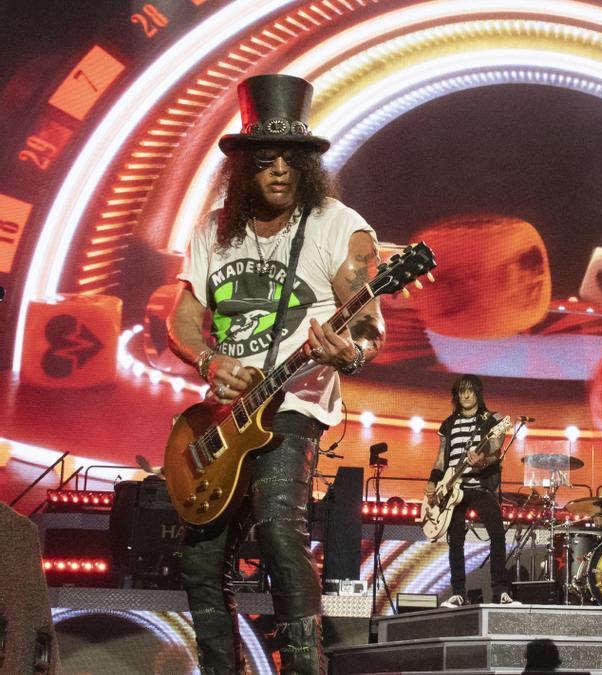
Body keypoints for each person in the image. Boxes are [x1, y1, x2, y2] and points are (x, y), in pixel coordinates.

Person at [167, 74, 384, 674]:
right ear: (243, 167)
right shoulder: (214, 229)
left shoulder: (340, 226)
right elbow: (182, 320)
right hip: (223, 420)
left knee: (280, 534)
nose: (281, 170)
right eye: (267, 159)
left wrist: (350, 353)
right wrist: (210, 361)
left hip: (295, 403)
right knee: (201, 563)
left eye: (293, 159)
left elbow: (366, 327)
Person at [425, 374, 519, 607]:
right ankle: (458, 593)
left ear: (478, 393)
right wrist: (432, 482)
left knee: (497, 533)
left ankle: (500, 592)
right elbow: (440, 459)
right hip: (451, 490)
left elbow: (496, 452)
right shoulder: (448, 424)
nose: (466, 395)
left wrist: (481, 462)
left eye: (470, 390)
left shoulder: (490, 420)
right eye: (461, 391)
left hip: (479, 487)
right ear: (457, 395)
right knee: (455, 539)